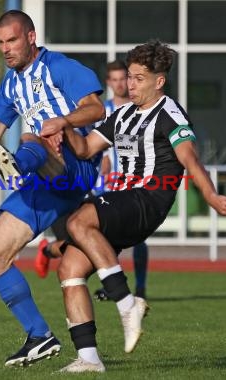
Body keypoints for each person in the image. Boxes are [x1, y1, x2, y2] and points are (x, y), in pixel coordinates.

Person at [41, 40, 226, 373]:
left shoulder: (170, 114)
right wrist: (65, 126)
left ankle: (127, 303)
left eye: (137, 78)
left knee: (78, 222)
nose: (130, 85)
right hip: (124, 200)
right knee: (69, 270)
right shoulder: (122, 114)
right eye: (128, 77)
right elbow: (86, 148)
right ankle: (89, 359)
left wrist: (209, 195)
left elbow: (189, 158)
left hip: (148, 199)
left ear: (159, 81)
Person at [0, 10, 105, 368]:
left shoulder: (59, 67)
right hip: (42, 180)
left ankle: (19, 165)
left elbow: (95, 109)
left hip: (74, 167)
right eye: (0, 43)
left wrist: (62, 121)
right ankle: (39, 336)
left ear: (30, 37)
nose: (5, 49)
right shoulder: (10, 85)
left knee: (35, 133)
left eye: (11, 41)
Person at [35, 60, 150, 301]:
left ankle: (139, 289)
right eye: (115, 79)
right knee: (93, 239)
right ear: (108, 83)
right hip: (101, 183)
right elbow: (87, 142)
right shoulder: (100, 110)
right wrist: (103, 158)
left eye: (124, 79)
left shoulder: (141, 110)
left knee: (139, 238)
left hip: (132, 182)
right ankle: (110, 285)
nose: (120, 84)